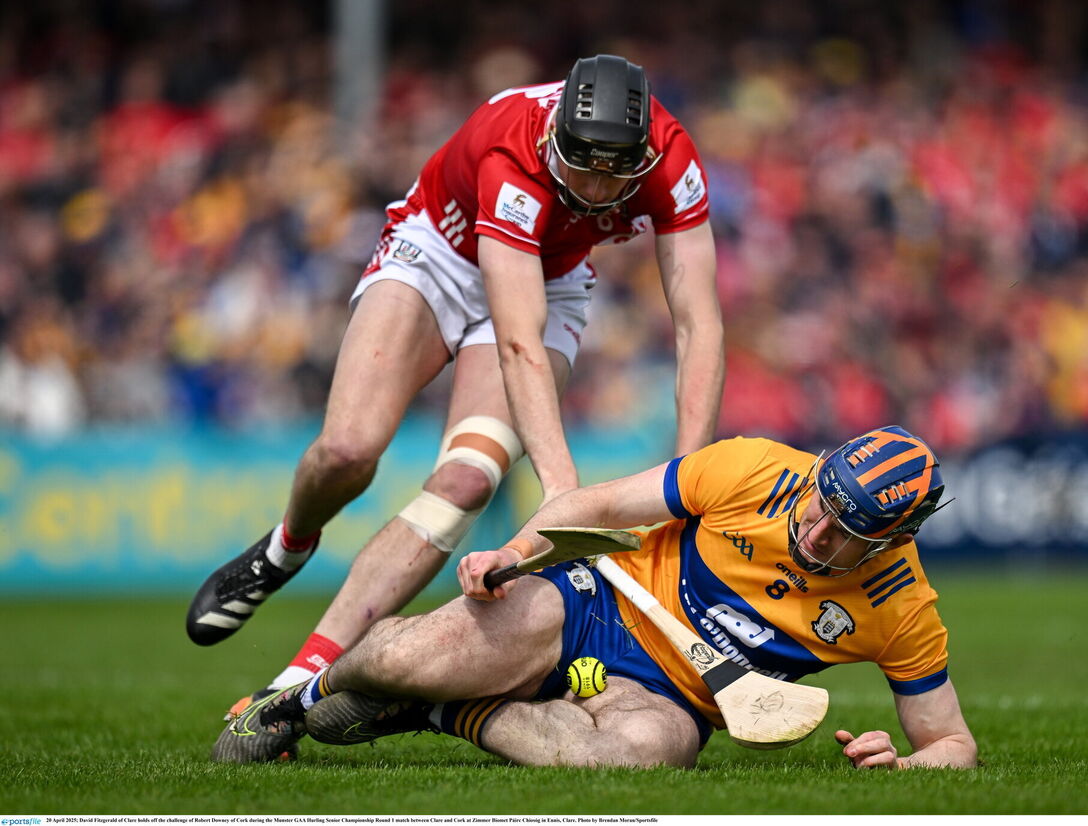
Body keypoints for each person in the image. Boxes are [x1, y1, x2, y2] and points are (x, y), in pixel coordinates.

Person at [185, 54, 725, 702]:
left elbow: (700, 325)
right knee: (348, 451)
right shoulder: (513, 151)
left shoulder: (673, 160)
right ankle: (286, 548)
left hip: (552, 279)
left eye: (618, 173)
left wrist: (687, 477)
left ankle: (293, 685)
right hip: (440, 251)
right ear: (557, 140)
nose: (600, 189)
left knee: (468, 481)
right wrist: (561, 490)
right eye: (585, 166)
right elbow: (519, 341)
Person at [211, 426, 978, 770]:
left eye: (846, 532)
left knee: (636, 761)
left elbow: (954, 745)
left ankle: (442, 712)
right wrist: (514, 554)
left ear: (891, 539)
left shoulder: (900, 606)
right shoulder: (755, 470)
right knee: (410, 654)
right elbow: (603, 507)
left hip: (672, 700)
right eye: (820, 504)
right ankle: (302, 695)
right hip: (593, 603)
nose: (816, 532)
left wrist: (904, 767)